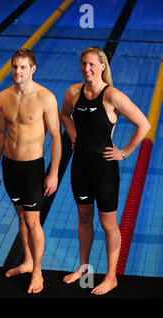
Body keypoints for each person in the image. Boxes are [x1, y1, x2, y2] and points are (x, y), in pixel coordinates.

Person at [60, 46, 150, 295]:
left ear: (102, 66)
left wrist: (124, 152)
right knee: (84, 218)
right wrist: (73, 135)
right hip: (79, 167)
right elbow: (64, 114)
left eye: (91, 64)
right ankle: (84, 269)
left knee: (108, 224)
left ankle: (111, 277)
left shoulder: (112, 96)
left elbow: (144, 123)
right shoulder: (73, 92)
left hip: (104, 170)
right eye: (83, 64)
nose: (87, 69)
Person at [0, 48, 61, 293]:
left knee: (33, 220)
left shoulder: (46, 97)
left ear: (33, 69)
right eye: (14, 66)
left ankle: (38, 273)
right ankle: (28, 261)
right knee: (21, 216)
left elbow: (56, 137)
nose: (17, 71)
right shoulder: (3, 96)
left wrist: (53, 173)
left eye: (22, 67)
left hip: (33, 167)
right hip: (10, 166)